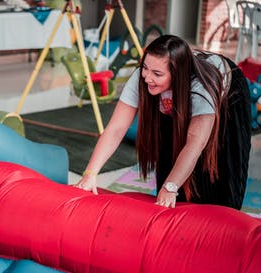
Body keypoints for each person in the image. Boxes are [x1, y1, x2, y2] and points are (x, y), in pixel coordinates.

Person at [75, 34, 251, 210]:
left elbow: (195, 144)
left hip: (228, 97)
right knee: (169, 159)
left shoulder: (201, 89)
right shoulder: (142, 78)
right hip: (176, 97)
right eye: (145, 68)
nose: (147, 77)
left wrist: (171, 186)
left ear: (177, 75)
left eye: (157, 74)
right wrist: (91, 173)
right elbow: (116, 128)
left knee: (217, 169)